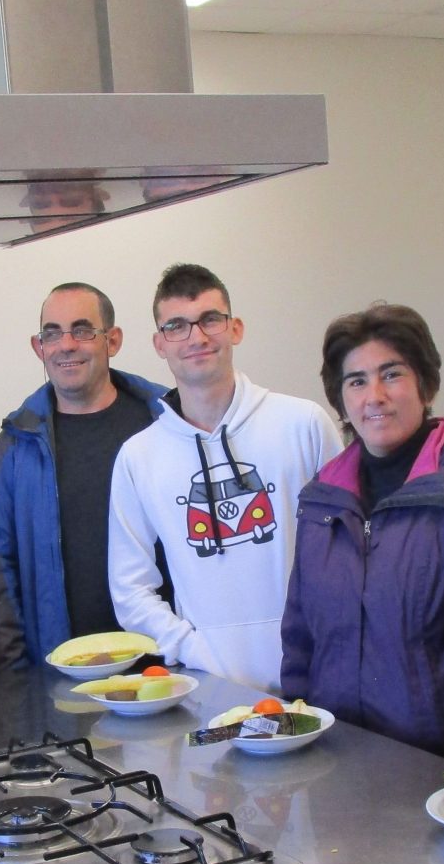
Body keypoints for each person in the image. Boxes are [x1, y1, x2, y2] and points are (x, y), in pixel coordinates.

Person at [281, 304, 444, 759]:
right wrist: (293, 723)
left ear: (425, 385)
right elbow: (300, 630)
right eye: (356, 381)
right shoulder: (322, 497)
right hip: (333, 756)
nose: (374, 395)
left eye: (391, 374)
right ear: (341, 399)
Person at [107, 262, 340, 694]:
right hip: (209, 684)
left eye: (210, 320)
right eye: (176, 326)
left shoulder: (303, 424)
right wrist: (191, 648)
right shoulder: (138, 457)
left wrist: (330, 639)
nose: (196, 337)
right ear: (159, 344)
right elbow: (129, 589)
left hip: (321, 672)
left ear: (235, 328)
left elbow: (351, 551)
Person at [0, 283, 165, 669]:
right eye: (52, 333)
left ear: (112, 340)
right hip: (64, 674)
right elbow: (1, 575)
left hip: (169, 665)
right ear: (39, 347)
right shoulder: (16, 448)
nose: (66, 344)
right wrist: (14, 680)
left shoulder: (165, 424)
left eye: (83, 330)